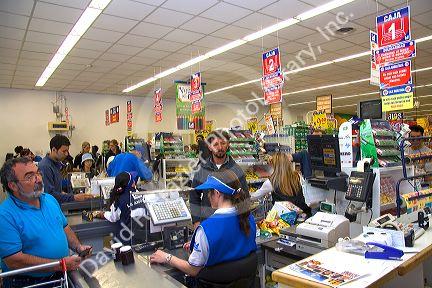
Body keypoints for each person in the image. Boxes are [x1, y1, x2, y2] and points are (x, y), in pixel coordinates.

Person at [0, 157, 92, 288]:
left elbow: (64, 228)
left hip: (59, 275)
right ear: (13, 185)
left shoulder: (49, 200)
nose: (38, 179)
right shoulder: (5, 215)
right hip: (28, 282)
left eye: (38, 173)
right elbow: (14, 261)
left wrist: (78, 247)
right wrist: (60, 264)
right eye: (29, 177)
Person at [150, 170, 256, 277]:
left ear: (217, 193)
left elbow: (192, 270)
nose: (208, 196)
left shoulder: (206, 229)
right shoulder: (248, 218)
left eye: (209, 192)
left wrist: (167, 258)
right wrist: (199, 244)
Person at [190, 130, 249, 228]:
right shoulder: (202, 169)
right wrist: (196, 222)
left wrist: (242, 221)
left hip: (230, 223)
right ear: (209, 146)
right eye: (216, 144)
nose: (220, 147)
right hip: (207, 221)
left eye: (223, 143)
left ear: (228, 144)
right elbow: (194, 197)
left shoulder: (236, 169)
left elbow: (245, 197)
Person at [38, 135, 93, 203]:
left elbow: (56, 189)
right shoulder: (45, 166)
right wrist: (73, 197)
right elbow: (49, 194)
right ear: (54, 150)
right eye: (64, 151)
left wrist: (63, 194)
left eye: (67, 151)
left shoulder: (56, 164)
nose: (67, 154)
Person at [95, 171, 145, 245]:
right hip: (141, 236)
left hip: (126, 238)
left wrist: (103, 214)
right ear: (131, 183)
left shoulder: (119, 199)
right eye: (133, 180)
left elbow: (113, 217)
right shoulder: (139, 194)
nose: (135, 181)